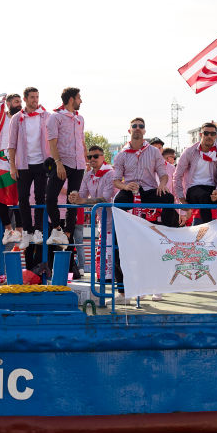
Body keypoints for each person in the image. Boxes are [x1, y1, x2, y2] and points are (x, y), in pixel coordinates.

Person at [112, 117, 176, 298]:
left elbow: (163, 175)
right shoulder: (121, 154)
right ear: (129, 130)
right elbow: (116, 180)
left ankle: (169, 233)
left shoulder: (154, 152)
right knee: (118, 203)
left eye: (141, 126)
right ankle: (120, 233)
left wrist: (163, 184)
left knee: (168, 197)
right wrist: (126, 186)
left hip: (149, 190)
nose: (138, 129)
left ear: (145, 131)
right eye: (134, 126)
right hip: (131, 190)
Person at [8, 87, 50, 250]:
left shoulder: (46, 116)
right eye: (32, 97)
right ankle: (27, 230)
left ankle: (38, 230)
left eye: (37, 97)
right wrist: (12, 165)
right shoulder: (17, 118)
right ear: (25, 99)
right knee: (23, 198)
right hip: (23, 164)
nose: (35, 100)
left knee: (41, 197)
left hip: (42, 162)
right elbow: (11, 144)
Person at [69, 144, 117, 281]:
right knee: (104, 250)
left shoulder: (110, 173)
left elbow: (105, 199)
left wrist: (82, 201)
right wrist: (74, 197)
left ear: (103, 157)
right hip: (103, 220)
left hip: (117, 220)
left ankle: (111, 281)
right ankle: (106, 278)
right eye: (89, 157)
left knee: (111, 251)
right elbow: (82, 194)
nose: (92, 159)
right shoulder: (88, 175)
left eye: (96, 156)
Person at [45, 87, 86, 247]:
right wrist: (58, 163)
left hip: (79, 164)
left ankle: (67, 233)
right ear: (71, 99)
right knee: (50, 197)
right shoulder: (55, 117)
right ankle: (56, 228)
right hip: (62, 163)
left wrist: (85, 159)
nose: (81, 101)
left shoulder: (80, 118)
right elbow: (52, 142)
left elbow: (81, 141)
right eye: (79, 98)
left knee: (73, 199)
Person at [175, 122, 217, 224]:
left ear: (216, 136)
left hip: (212, 188)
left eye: (212, 134)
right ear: (201, 135)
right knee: (204, 197)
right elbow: (177, 176)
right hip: (193, 188)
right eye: (206, 133)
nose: (209, 136)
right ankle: (208, 231)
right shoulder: (189, 151)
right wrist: (181, 198)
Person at [0, 93, 24, 244]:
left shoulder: (23, 118)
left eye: (20, 101)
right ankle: (8, 229)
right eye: (16, 102)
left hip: (16, 160)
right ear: (8, 104)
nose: (19, 104)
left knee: (17, 196)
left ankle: (19, 230)